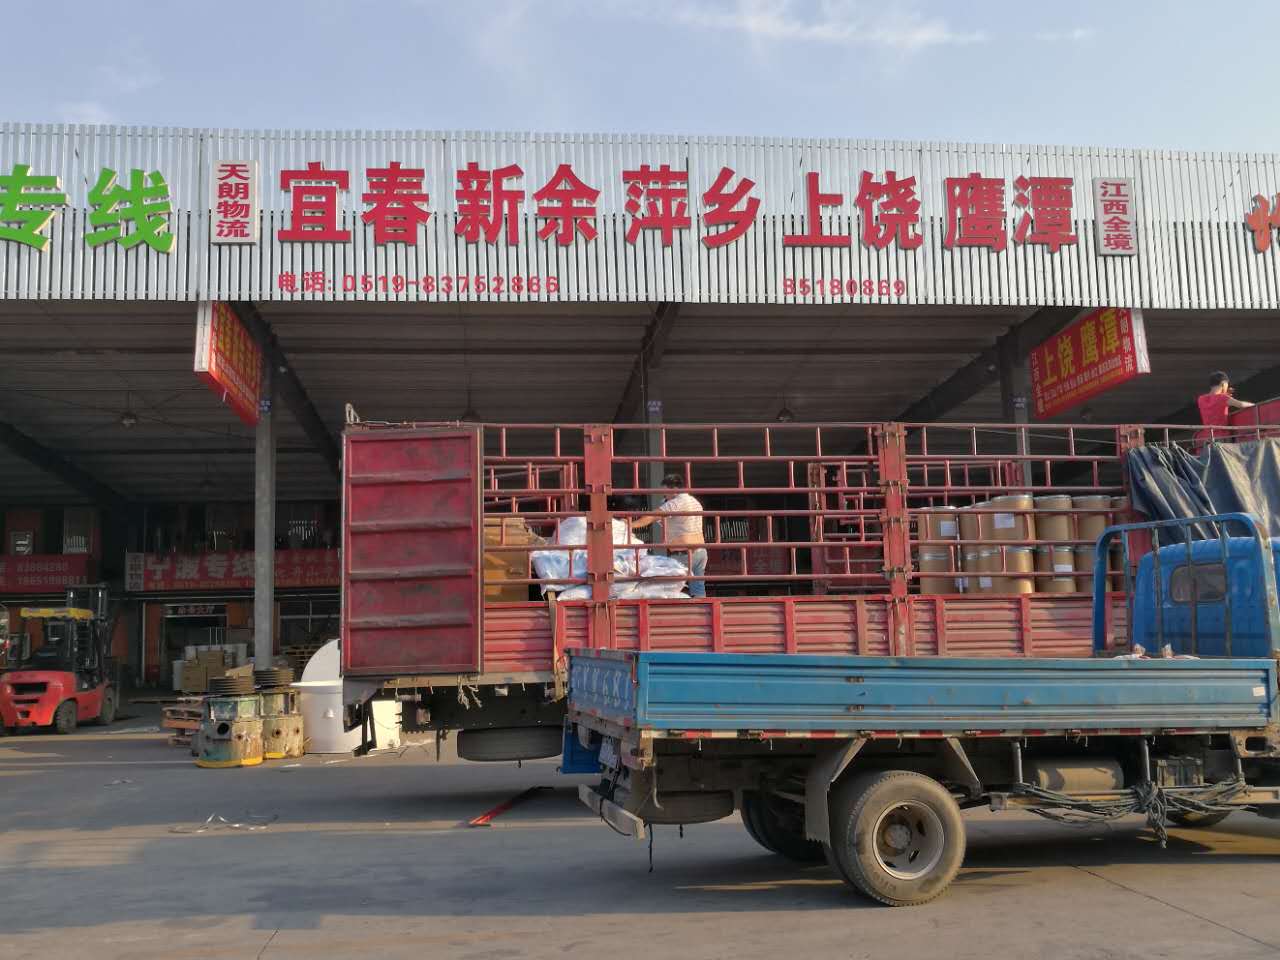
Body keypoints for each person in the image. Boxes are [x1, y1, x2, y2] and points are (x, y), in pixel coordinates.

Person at [630, 474, 708, 598]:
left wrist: (630, 525)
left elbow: (652, 516)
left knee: (666, 587)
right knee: (698, 589)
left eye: (665, 491)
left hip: (684, 554)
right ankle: (701, 608)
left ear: (674, 489)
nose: (664, 495)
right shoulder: (694, 501)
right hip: (700, 551)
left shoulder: (676, 503)